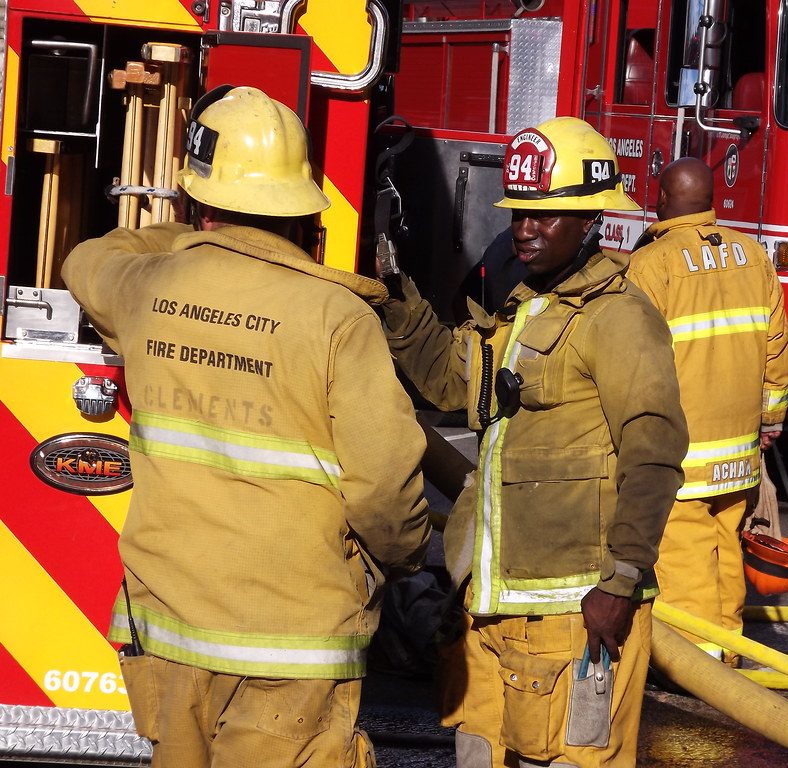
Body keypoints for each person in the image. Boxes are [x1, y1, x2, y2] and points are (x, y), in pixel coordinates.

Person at [61, 85, 431, 768]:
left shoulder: (146, 288)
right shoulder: (338, 318)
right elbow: (384, 489)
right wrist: (405, 561)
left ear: (201, 201)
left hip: (169, 641)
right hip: (292, 652)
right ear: (297, 205)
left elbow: (85, 259)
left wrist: (184, 236)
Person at [376, 116, 688, 767]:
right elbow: (445, 378)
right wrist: (394, 292)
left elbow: (654, 454)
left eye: (544, 217)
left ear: (590, 220)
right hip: (492, 606)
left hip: (577, 618)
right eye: (520, 213)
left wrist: (621, 581)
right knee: (476, 751)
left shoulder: (620, 319)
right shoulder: (521, 309)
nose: (524, 229)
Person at [627, 157, 788, 666]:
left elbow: (634, 356)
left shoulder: (651, 265)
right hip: (738, 453)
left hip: (682, 450)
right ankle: (728, 651)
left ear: (660, 199)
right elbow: (777, 343)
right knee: (724, 550)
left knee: (686, 556)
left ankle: (694, 666)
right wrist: (771, 418)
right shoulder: (752, 254)